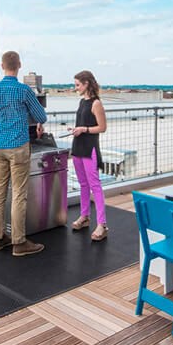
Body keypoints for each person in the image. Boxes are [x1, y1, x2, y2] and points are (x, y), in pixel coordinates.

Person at [0, 50, 47, 257]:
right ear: (19, 65)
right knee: (19, 194)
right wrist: (29, 116)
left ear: (2, 66)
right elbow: (41, 115)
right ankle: (19, 242)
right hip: (18, 145)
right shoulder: (23, 90)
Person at [69, 70, 109, 242]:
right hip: (78, 147)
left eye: (78, 84)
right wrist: (76, 129)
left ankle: (102, 224)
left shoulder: (96, 103)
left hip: (90, 148)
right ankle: (84, 216)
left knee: (95, 185)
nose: (76, 87)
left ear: (86, 84)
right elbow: (82, 124)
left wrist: (83, 129)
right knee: (83, 184)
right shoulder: (81, 102)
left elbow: (102, 127)